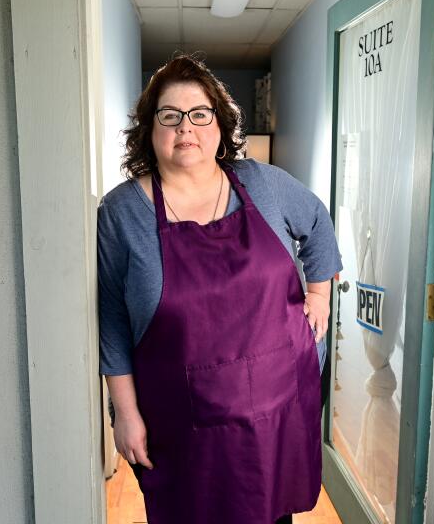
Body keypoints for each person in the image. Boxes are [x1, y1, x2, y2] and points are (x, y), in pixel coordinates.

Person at [98, 55, 342, 524]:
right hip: (183, 420)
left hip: (275, 405)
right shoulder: (121, 212)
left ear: (219, 124)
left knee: (271, 511)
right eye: (169, 115)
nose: (185, 127)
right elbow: (111, 318)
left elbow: (316, 221)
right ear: (150, 131)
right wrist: (125, 413)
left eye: (199, 114)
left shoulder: (260, 183)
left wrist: (320, 295)